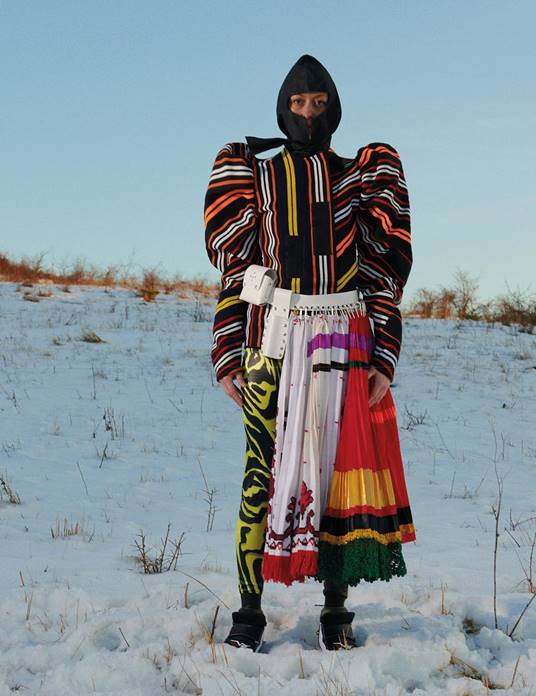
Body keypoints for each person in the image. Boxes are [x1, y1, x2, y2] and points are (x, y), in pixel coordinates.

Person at [205, 54, 415, 652]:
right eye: (298, 105)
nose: (308, 114)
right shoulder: (256, 176)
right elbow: (241, 272)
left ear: (334, 109)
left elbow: (379, 272)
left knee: (336, 475)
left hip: (345, 340)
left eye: (319, 104)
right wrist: (227, 349)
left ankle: (335, 611)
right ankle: (248, 612)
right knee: (258, 474)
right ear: (282, 107)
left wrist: (384, 355)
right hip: (272, 340)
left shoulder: (360, 176)